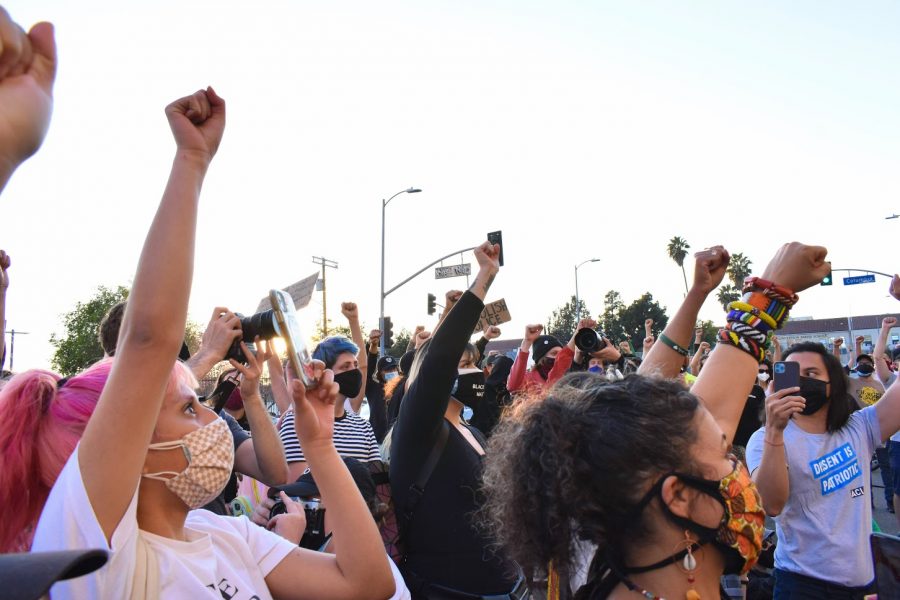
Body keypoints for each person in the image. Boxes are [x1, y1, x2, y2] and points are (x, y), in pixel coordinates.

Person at [27, 87, 394, 600]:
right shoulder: (104, 556)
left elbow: (367, 584)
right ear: (129, 441)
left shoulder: (225, 535)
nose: (210, 419)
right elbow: (149, 342)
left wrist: (320, 447)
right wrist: (191, 161)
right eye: (187, 405)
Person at [481, 243, 829, 600]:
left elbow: (650, 409)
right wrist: (767, 295)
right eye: (725, 455)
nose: (737, 469)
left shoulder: (617, 530)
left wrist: (711, 295)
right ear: (678, 496)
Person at [391, 240, 525, 599]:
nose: (475, 373)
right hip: (444, 590)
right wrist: (483, 279)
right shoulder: (419, 428)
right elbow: (438, 357)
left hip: (505, 589)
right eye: (463, 365)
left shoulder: (474, 431)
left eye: (475, 364)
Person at [747, 336, 900, 598]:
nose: (802, 380)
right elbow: (771, 505)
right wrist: (775, 431)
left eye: (811, 373)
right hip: (803, 584)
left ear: (832, 384)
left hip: (865, 581)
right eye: (794, 373)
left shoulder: (859, 427)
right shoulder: (763, 439)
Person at [277, 333, 381, 480]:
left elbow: (377, 482)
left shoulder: (364, 426)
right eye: (345, 367)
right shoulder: (296, 422)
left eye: (355, 365)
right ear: (326, 374)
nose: (354, 372)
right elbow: (298, 487)